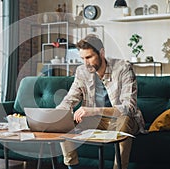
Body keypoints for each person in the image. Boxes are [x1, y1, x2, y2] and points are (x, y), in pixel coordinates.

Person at [56, 34, 146, 169]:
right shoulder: (82, 71)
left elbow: (129, 108)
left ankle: (119, 167)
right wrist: (56, 113)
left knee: (125, 119)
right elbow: (70, 99)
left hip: (119, 120)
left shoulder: (123, 68)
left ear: (101, 53)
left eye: (89, 57)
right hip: (95, 120)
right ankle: (72, 166)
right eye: (82, 58)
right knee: (64, 120)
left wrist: (93, 110)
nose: (85, 63)